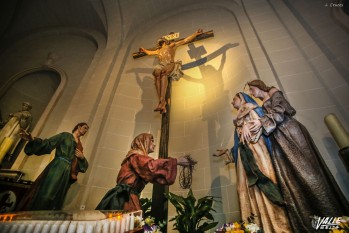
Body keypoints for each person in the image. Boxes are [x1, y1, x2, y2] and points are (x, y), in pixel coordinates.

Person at [247, 80, 349, 232]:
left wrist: (261, 121)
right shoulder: (262, 103)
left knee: (308, 174)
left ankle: (334, 220)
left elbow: (280, 109)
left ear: (258, 85)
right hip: (278, 139)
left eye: (251, 89)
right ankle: (314, 225)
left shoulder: (273, 91)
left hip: (290, 132)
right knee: (291, 180)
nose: (251, 93)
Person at [213, 92, 291, 233]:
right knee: (245, 189)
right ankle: (255, 226)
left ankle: (276, 226)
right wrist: (229, 152)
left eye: (234, 99)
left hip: (258, 155)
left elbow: (258, 130)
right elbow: (242, 141)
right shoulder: (239, 119)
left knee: (264, 183)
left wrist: (247, 126)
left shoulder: (251, 109)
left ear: (241, 98)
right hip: (245, 160)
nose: (232, 102)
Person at [96, 133, 190, 211]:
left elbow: (152, 173)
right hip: (124, 199)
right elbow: (151, 167)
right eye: (152, 141)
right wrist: (176, 161)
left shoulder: (136, 157)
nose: (154, 144)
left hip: (128, 197)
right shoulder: (135, 156)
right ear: (143, 142)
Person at [16, 122, 89, 211]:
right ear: (79, 127)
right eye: (85, 128)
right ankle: (35, 215)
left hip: (67, 172)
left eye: (87, 129)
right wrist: (33, 140)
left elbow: (81, 165)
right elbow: (49, 143)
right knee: (46, 194)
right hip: (57, 167)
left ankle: (46, 220)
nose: (86, 130)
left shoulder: (80, 146)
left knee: (57, 198)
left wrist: (82, 158)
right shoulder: (65, 136)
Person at [139, 29, 203, 114]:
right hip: (161, 64)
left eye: (161, 41)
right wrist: (143, 49)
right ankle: (162, 101)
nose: (160, 42)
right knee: (156, 73)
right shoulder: (158, 51)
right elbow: (149, 53)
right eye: (159, 42)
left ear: (165, 41)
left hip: (170, 63)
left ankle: (162, 100)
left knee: (164, 73)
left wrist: (195, 34)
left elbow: (185, 40)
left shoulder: (172, 45)